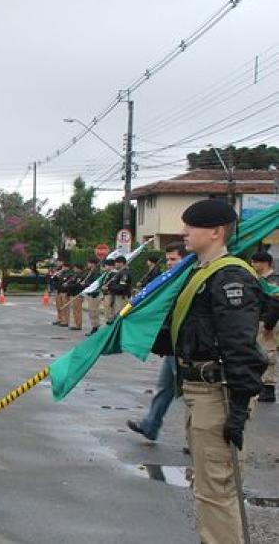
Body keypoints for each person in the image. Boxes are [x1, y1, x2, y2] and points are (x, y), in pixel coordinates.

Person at [153, 199, 266, 544]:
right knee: (207, 486)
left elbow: (241, 348)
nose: (184, 232)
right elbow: (190, 334)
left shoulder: (229, 277)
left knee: (217, 488)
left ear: (216, 232)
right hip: (199, 391)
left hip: (220, 394)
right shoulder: (198, 273)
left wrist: (237, 410)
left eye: (191, 226)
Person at [127, 242, 188, 440]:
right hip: (171, 346)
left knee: (191, 395)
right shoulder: (171, 279)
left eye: (174, 259)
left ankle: (194, 438)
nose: (169, 263)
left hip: (184, 347)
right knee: (164, 388)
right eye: (168, 259)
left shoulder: (187, 280)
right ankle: (150, 426)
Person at [250, 250, 278, 403]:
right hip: (260, 320)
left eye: (255, 262)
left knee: (268, 352)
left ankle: (268, 388)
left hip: (269, 321)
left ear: (265, 263)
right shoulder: (259, 279)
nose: (252, 265)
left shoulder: (273, 280)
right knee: (260, 351)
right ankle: (262, 385)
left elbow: (275, 304)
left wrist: (268, 326)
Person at [82, 257, 102, 335]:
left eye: (89, 263)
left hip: (94, 294)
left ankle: (95, 328)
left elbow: (94, 284)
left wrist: (86, 284)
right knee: (91, 311)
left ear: (93, 264)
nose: (88, 265)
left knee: (94, 311)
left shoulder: (96, 272)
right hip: (90, 294)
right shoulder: (90, 271)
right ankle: (94, 326)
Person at [62, 263, 85, 331]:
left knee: (77, 310)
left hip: (78, 294)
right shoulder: (75, 275)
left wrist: (68, 286)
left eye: (75, 268)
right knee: (75, 310)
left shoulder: (81, 276)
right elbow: (71, 282)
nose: (74, 269)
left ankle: (78, 325)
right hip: (73, 294)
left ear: (78, 268)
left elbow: (77, 285)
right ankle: (76, 323)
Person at [51, 260, 71, 327]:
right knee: (59, 306)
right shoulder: (60, 272)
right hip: (58, 291)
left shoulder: (69, 273)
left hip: (64, 292)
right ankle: (60, 319)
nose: (63, 268)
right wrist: (59, 272)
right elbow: (52, 278)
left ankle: (65, 320)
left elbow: (66, 281)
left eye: (64, 267)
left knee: (64, 307)